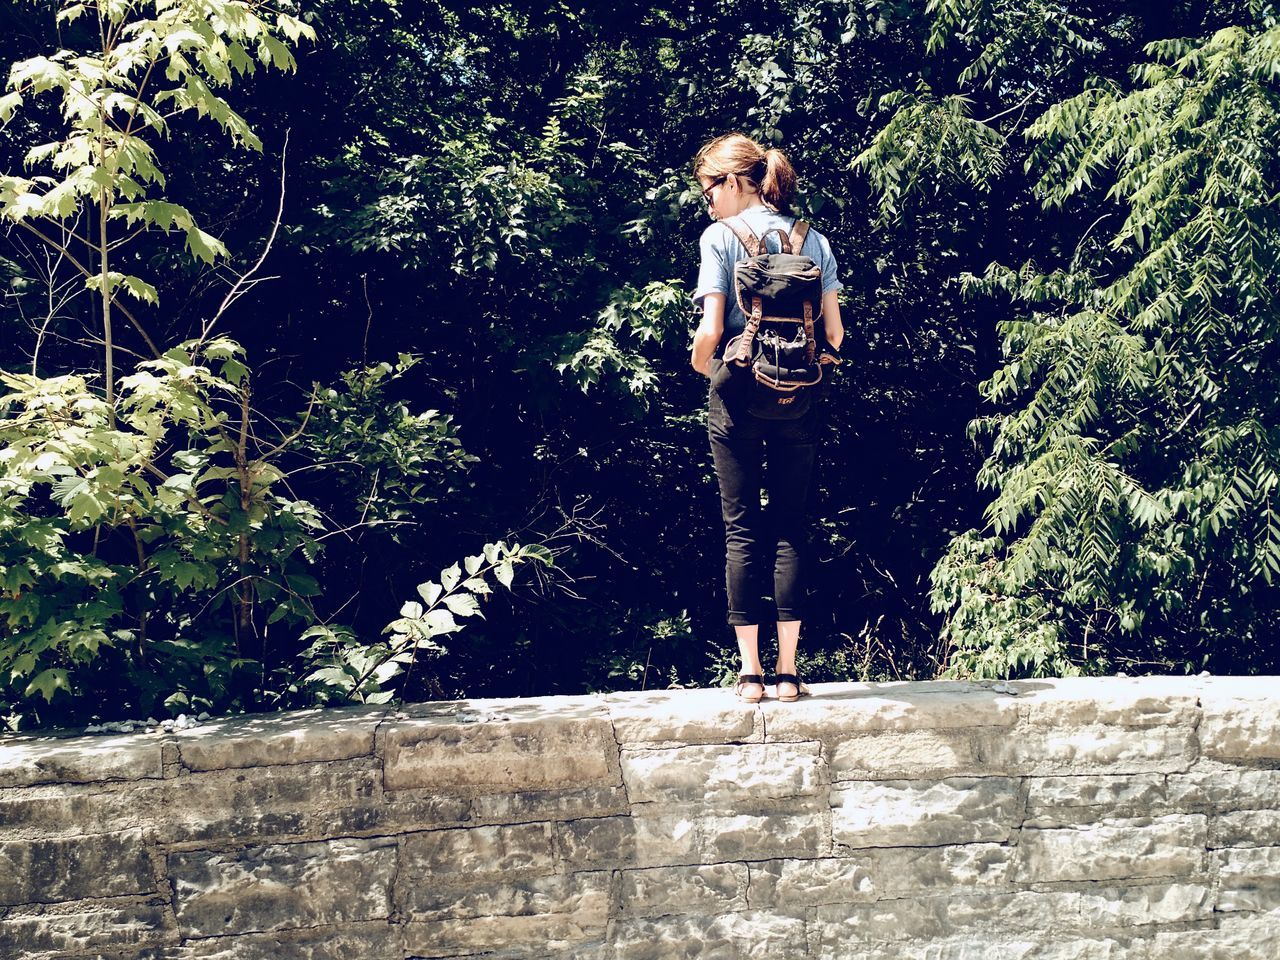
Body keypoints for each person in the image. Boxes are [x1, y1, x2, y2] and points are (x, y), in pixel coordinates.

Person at [689, 132, 844, 704]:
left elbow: (711, 331)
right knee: (791, 527)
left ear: (733, 182)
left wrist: (707, 368)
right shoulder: (813, 239)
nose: (707, 202)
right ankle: (788, 674)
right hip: (799, 393)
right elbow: (834, 335)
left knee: (740, 526)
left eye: (709, 189)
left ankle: (750, 675)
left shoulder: (719, 237)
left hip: (737, 391)